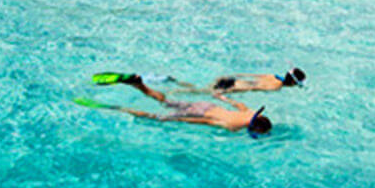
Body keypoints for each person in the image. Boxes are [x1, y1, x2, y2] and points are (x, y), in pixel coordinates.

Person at [82, 74, 272, 137]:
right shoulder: (232, 127)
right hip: (199, 114)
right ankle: (114, 108)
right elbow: (205, 122)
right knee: (152, 116)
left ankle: (138, 83)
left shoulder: (250, 111)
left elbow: (238, 104)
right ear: (254, 126)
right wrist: (178, 120)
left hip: (204, 104)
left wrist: (222, 98)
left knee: (164, 101)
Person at [210, 67, 306, 94]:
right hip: (232, 86)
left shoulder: (273, 76)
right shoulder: (275, 87)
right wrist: (226, 91)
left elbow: (251, 76)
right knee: (198, 92)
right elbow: (252, 88)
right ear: (293, 83)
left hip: (232, 80)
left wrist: (231, 76)